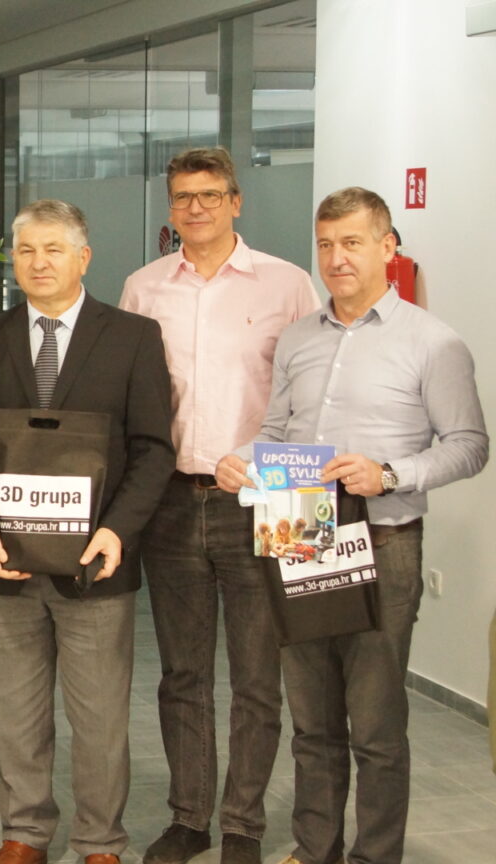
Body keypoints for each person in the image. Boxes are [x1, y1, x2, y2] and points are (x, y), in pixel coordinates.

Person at [217, 187, 488, 864]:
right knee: (311, 722)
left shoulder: (433, 342)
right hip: (298, 535)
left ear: (387, 247)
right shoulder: (298, 338)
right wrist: (239, 459)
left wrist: (389, 474)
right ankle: (316, 850)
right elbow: (277, 432)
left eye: (352, 243)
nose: (336, 258)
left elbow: (469, 445)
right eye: (326, 244)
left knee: (375, 727)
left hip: (384, 544)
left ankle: (375, 856)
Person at [0, 200, 174, 864]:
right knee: (16, 712)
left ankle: (100, 840)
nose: (38, 262)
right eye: (25, 250)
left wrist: (117, 532)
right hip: (8, 561)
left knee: (99, 716)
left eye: (53, 249)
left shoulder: (133, 336)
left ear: (83, 257)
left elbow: (153, 448)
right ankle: (25, 833)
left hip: (96, 564)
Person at [119, 147, 320, 864]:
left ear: (237, 201)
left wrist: (268, 463)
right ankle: (190, 818)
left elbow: (311, 395)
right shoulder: (143, 288)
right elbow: (130, 398)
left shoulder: (288, 284)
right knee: (183, 674)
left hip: (267, 501)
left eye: (209, 195)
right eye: (182, 197)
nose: (195, 208)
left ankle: (243, 826)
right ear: (170, 208)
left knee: (259, 679)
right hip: (171, 501)